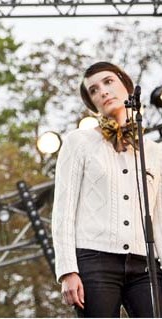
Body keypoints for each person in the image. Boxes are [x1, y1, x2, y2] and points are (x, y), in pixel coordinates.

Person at [52, 61, 162, 317]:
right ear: (92, 103)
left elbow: (159, 217)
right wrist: (67, 270)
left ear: (127, 86)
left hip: (146, 263)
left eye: (108, 82)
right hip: (94, 261)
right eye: (93, 90)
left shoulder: (154, 152)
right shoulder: (78, 142)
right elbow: (63, 210)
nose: (102, 90)